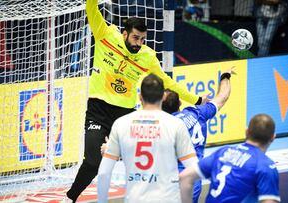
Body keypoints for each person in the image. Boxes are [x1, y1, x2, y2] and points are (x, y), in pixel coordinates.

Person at [64, 0, 208, 201]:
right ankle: (70, 198)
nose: (138, 43)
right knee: (93, 163)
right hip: (98, 110)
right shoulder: (105, 34)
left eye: (142, 39)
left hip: (125, 114)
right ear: (124, 34)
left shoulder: (147, 56)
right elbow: (91, 8)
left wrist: (197, 99)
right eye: (135, 38)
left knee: (148, 157)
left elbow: (166, 82)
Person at [97, 73, 198, 203]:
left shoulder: (121, 123)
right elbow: (194, 168)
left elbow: (104, 173)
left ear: (140, 97)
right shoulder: (175, 124)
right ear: (163, 97)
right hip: (168, 198)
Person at [161, 68, 234, 203]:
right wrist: (225, 76)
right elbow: (222, 97)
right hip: (193, 182)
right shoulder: (196, 113)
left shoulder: (164, 127)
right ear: (180, 103)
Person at [179, 113, 280, 203]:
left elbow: (184, 177)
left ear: (246, 131)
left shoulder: (223, 152)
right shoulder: (265, 165)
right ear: (273, 137)